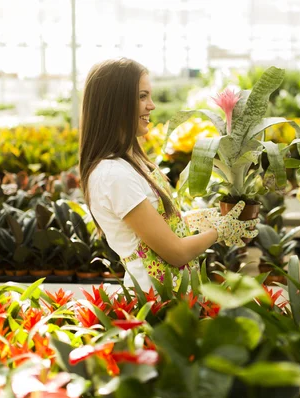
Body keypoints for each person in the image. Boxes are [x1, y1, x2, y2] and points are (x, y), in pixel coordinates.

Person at [78, 58, 258, 290]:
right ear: (116, 103)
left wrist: (195, 220)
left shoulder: (128, 162)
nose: (151, 105)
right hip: (154, 301)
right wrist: (219, 231)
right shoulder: (113, 174)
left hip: (169, 295)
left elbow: (154, 226)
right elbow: (176, 252)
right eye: (142, 96)